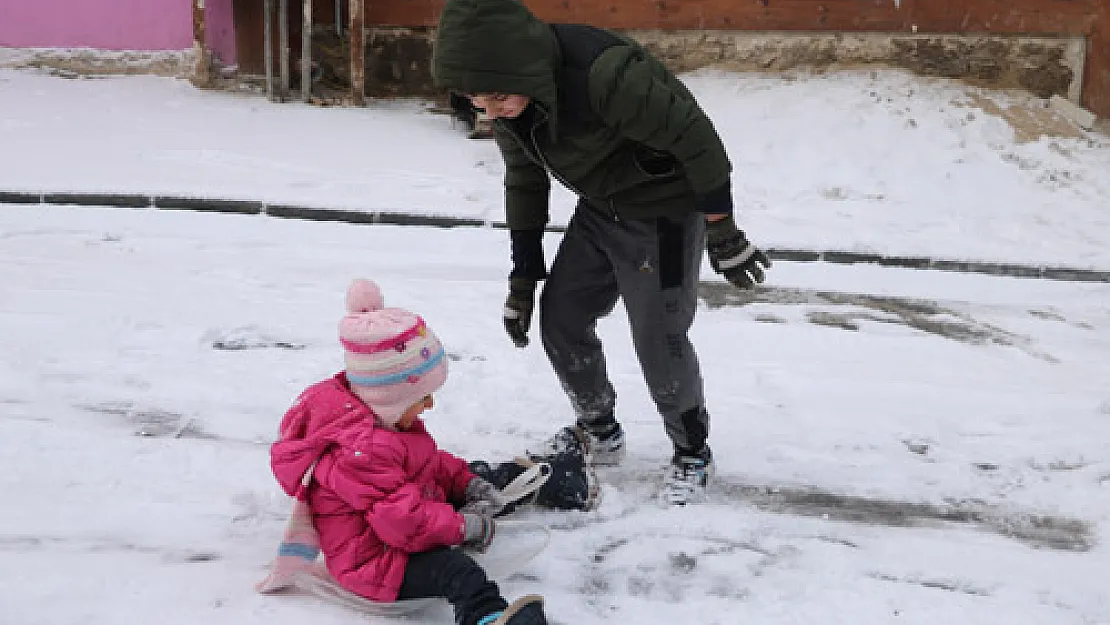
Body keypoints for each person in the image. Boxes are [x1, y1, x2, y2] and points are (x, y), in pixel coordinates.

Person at [431, 0, 771, 505]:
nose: (490, 111)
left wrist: (723, 230)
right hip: (602, 209)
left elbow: (698, 141)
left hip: (668, 213)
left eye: (497, 97)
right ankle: (599, 429)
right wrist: (523, 278)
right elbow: (525, 182)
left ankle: (692, 451)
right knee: (562, 317)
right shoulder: (512, 107)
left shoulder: (606, 77)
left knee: (660, 336)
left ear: (524, 69)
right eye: (477, 101)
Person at [255, 279, 595, 625]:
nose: (430, 405)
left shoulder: (385, 421)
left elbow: (428, 463)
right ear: (389, 397)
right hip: (376, 563)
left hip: (407, 512)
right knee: (457, 571)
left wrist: (467, 483)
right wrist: (467, 529)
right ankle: (487, 617)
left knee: (478, 476)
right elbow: (405, 523)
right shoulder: (358, 452)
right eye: (421, 398)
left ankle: (556, 481)